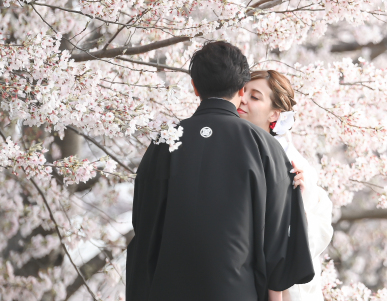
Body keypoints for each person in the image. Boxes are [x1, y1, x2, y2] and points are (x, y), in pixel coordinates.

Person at [126, 42, 315, 301]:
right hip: (238, 290)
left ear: (194, 86)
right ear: (241, 89)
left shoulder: (166, 141)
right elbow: (277, 238)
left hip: (167, 288)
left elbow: (144, 222)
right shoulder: (266, 147)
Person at [238, 70, 334, 301]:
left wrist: (299, 197)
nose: (243, 99)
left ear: (274, 114)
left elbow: (311, 229)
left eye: (255, 96)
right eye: (243, 92)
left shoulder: (293, 164)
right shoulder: (233, 142)